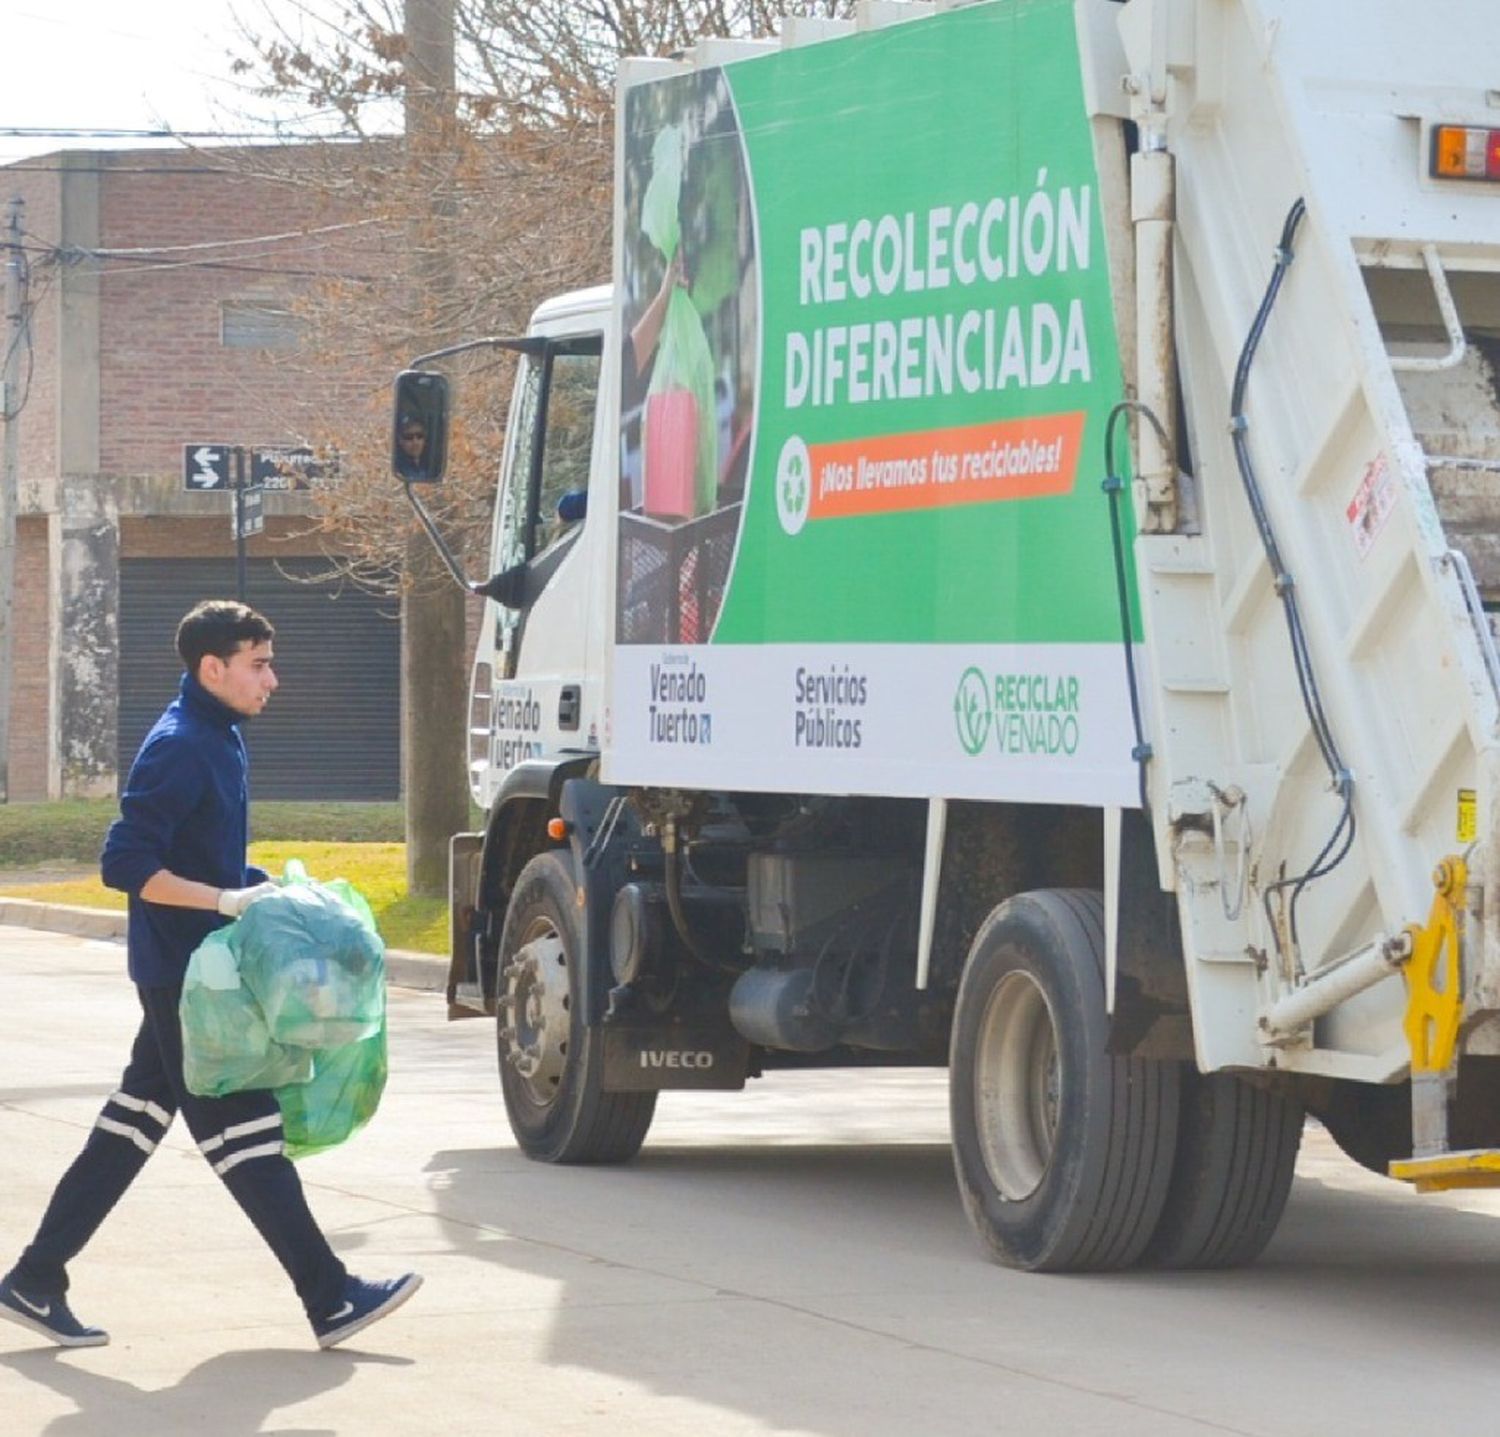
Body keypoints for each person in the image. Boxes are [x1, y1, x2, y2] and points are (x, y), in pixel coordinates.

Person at [0, 600, 421, 1351]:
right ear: (212, 668)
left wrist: (256, 885)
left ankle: (35, 1277)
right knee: (244, 1135)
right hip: (186, 980)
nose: (273, 679)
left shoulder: (218, 736)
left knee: (132, 1125)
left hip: (192, 971)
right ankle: (330, 1297)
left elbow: (202, 853)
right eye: (259, 664)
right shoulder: (182, 744)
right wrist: (225, 899)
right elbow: (125, 863)